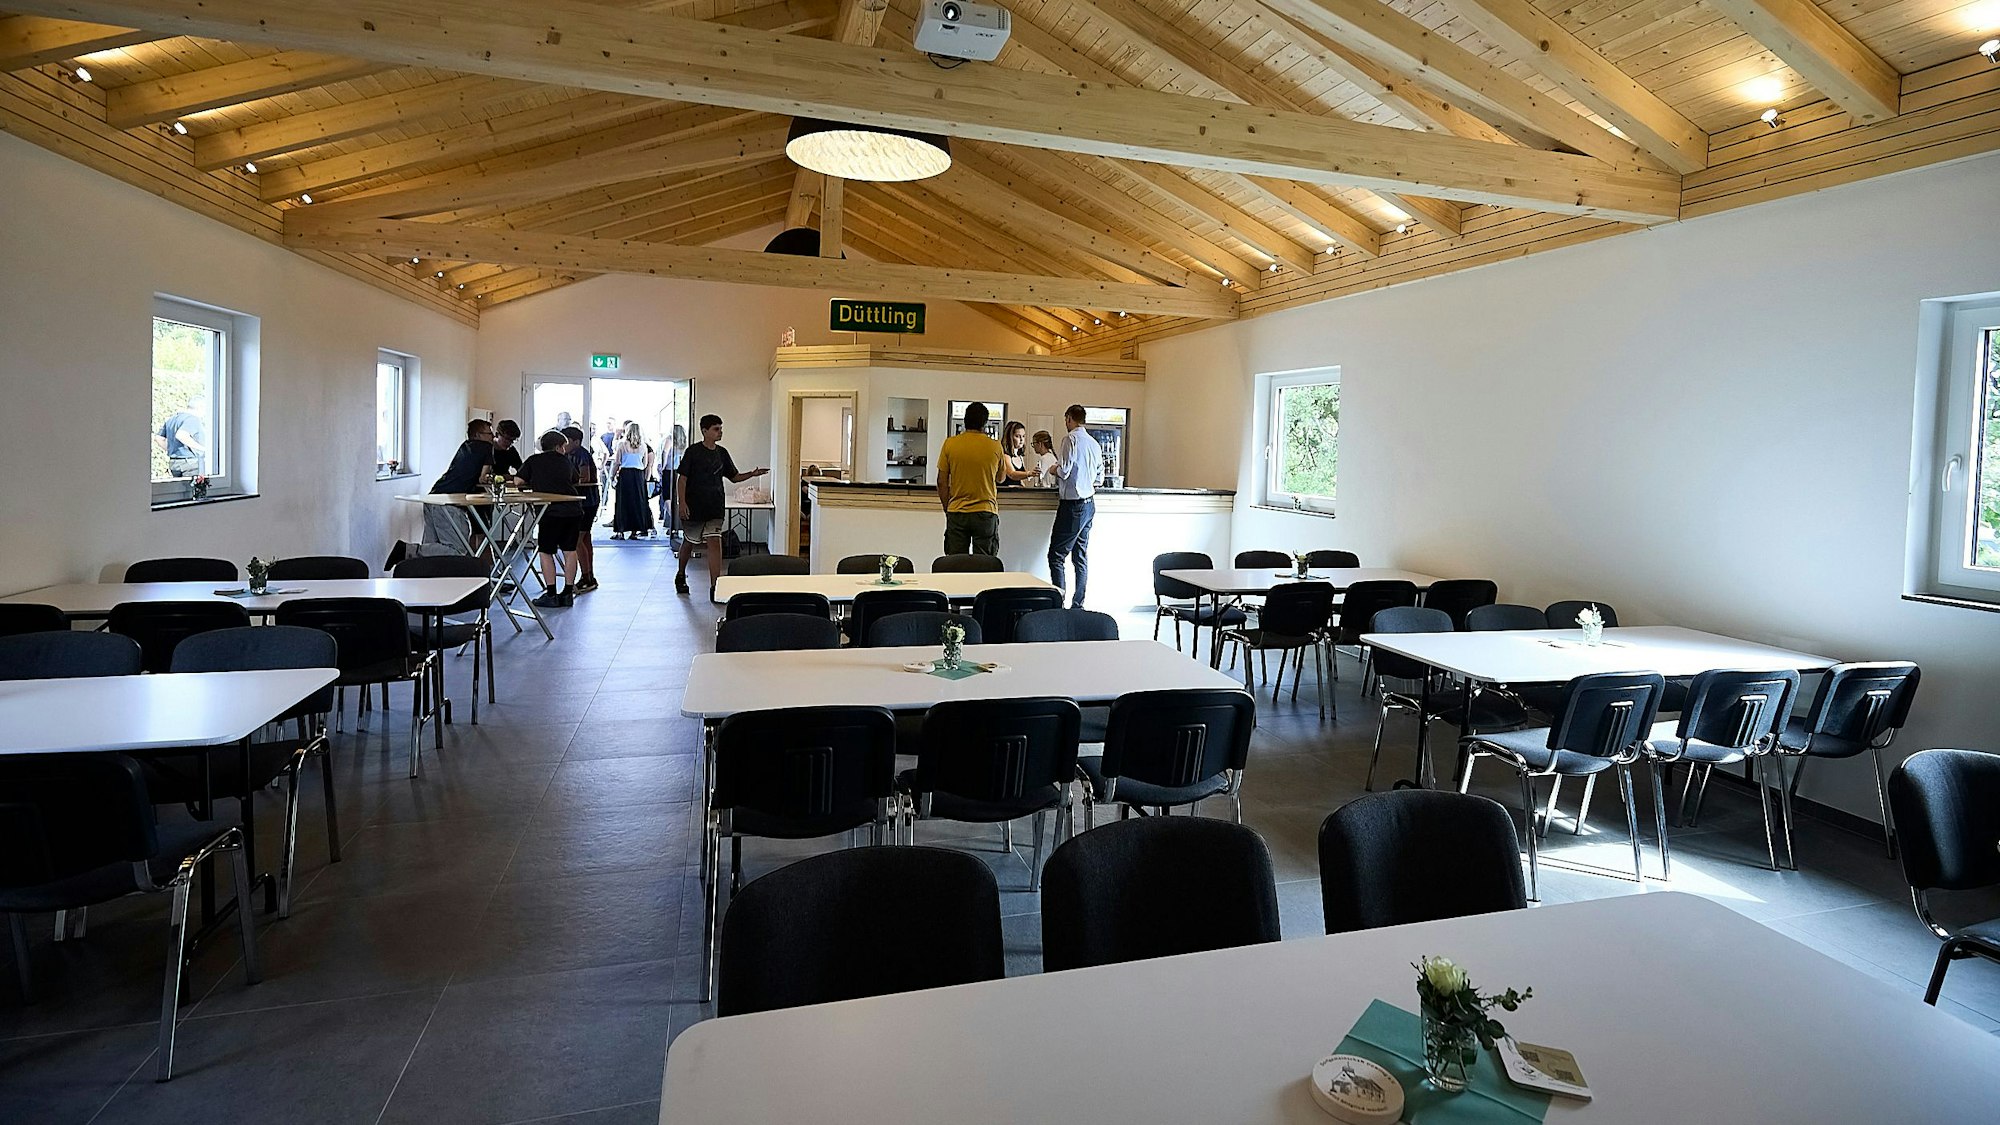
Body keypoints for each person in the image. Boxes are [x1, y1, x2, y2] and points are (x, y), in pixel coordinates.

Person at [674, 414, 768, 597]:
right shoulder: (692, 452)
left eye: (721, 428)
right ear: (704, 431)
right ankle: (680, 574)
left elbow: (734, 476)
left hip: (715, 505)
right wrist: (682, 502)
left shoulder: (722, 453)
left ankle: (715, 586)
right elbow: (682, 479)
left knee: (715, 541)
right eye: (716, 429)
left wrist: (753, 474)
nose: (720, 432)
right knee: (690, 542)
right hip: (694, 506)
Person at [935, 403, 1031, 556]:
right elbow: (1000, 478)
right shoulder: (995, 447)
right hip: (986, 512)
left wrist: (948, 507)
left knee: (955, 565)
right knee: (985, 566)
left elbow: (941, 481)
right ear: (984, 423)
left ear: (965, 420)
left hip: (957, 511)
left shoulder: (950, 444)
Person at [402, 417, 495, 561]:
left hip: (433, 496)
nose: (492, 437)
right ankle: (408, 550)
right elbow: (483, 478)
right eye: (489, 434)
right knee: (457, 549)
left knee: (432, 549)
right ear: (478, 435)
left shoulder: (465, 446)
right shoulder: (486, 447)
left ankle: (422, 574)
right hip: (450, 501)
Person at [515, 430, 582, 608]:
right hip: (572, 509)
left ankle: (551, 593)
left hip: (549, 511)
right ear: (560, 446)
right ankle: (568, 593)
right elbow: (576, 479)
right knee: (570, 551)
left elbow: (518, 481)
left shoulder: (533, 460)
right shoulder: (566, 461)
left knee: (546, 551)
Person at [1046, 404, 1103, 609]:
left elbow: (1065, 471)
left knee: (1056, 555)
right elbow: (1100, 478)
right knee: (1080, 555)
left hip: (1072, 505)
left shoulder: (1070, 439)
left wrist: (1053, 469)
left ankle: (1058, 604)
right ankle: (1078, 604)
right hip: (1089, 505)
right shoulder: (1094, 443)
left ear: (1069, 418)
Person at [562, 424, 600, 593]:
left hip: (586, 501)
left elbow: (585, 477)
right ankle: (589, 575)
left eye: (566, 441)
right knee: (585, 539)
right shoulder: (571, 454)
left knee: (577, 539)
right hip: (586, 501)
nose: (564, 445)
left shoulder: (580, 454)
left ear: (576, 441)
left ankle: (586, 577)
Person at [611, 422, 655, 539]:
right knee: (637, 503)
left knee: (622, 502)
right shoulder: (644, 446)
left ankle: (620, 531)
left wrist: (612, 476)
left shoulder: (622, 445)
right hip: (638, 476)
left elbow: (617, 462)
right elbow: (645, 464)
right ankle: (634, 531)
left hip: (625, 475)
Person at [154, 395, 209, 477]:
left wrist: (172, 449)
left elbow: (159, 438)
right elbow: (181, 435)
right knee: (194, 488)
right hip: (190, 463)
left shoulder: (172, 419)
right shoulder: (193, 419)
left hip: (174, 463)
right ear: (201, 407)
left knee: (179, 489)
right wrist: (204, 449)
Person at [999, 420, 1030, 487]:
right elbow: (1012, 474)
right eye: (1017, 436)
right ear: (1010, 437)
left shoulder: (1020, 457)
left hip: (1017, 494)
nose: (1021, 439)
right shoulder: (1005, 456)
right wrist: (1029, 474)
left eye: (1023, 436)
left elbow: (1019, 479)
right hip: (1006, 493)